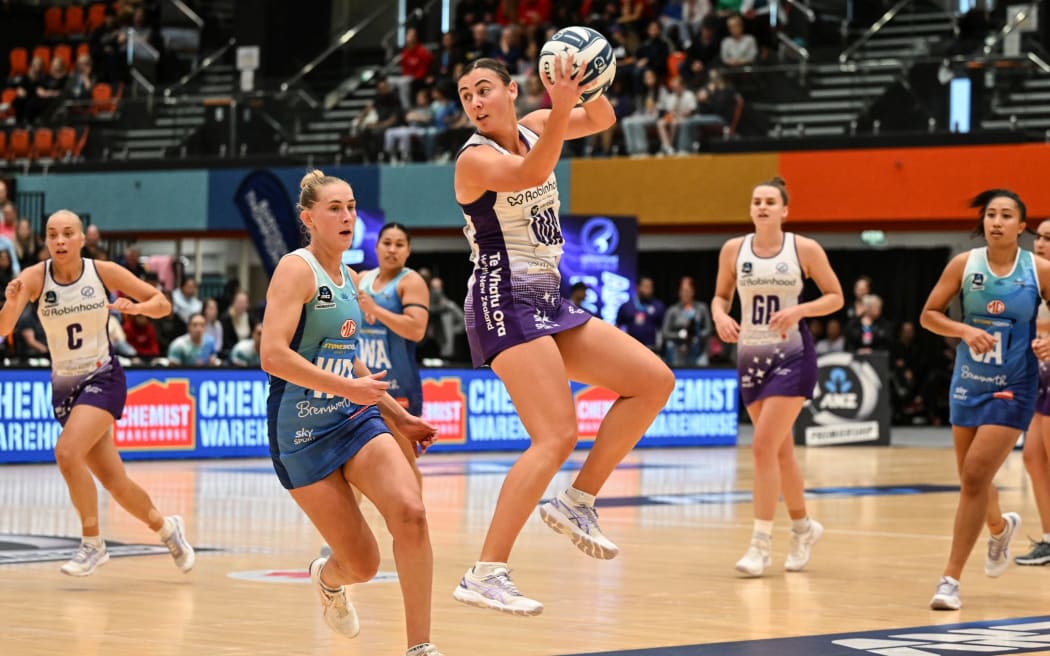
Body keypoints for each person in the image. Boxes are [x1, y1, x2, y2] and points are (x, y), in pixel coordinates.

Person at [451, 57, 675, 615]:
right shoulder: (475, 158)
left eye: (484, 90)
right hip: (501, 300)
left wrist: (581, 77)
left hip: (546, 299)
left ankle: (577, 501)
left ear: (511, 90)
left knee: (653, 381)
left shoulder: (534, 123)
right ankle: (485, 572)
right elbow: (528, 175)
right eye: (464, 96)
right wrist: (557, 111)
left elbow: (600, 116)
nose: (475, 102)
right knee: (554, 436)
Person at [260, 171, 442, 656]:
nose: (347, 216)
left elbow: (346, 353)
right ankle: (327, 577)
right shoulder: (295, 269)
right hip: (298, 432)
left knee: (412, 513)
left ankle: (420, 647)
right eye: (335, 208)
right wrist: (348, 386)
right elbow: (273, 355)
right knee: (361, 563)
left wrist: (395, 414)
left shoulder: (352, 277)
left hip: (352, 418)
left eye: (352, 207)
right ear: (309, 218)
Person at [0, 210, 194, 576]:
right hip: (64, 387)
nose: (59, 241)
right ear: (45, 240)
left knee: (67, 452)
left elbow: (162, 303)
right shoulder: (33, 277)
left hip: (103, 377)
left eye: (67, 233)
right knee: (115, 482)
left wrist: (136, 307)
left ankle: (93, 543)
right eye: (52, 234)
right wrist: (11, 301)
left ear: (81, 240)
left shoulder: (102, 271)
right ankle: (168, 529)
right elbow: (4, 327)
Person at [921, 189, 1050, 610]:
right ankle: (999, 529)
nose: (996, 221)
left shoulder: (1038, 269)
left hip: (1013, 384)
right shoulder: (964, 264)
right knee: (970, 480)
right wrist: (962, 330)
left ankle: (949, 580)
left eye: (1006, 215)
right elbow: (929, 314)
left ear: (1021, 226)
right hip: (968, 381)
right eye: (990, 214)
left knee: (976, 475)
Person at [711, 176, 843, 577]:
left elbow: (835, 296)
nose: (763, 206)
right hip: (751, 355)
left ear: (785, 210)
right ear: (751, 209)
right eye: (757, 201)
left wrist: (799, 311)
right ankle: (803, 527)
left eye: (771, 201)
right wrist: (719, 315)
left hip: (792, 356)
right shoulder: (734, 249)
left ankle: (760, 544)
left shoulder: (803, 248)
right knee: (780, 453)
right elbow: (721, 296)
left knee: (762, 448)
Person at [354, 222, 430, 487]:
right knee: (352, 463)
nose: (392, 249)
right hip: (361, 385)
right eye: (387, 243)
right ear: (376, 247)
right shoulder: (361, 279)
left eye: (399, 244)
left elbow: (417, 330)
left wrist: (376, 310)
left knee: (404, 463)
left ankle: (417, 523)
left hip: (398, 386)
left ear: (408, 251)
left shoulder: (411, 281)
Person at [1018, 218, 1050, 566]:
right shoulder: (1028, 277)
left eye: (1048, 238)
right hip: (1041, 375)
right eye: (1038, 237)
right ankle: (1048, 537)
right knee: (1032, 456)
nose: (1040, 243)